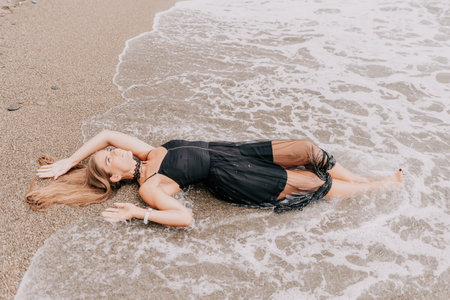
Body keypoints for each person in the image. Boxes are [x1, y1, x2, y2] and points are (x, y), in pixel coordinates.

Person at [28, 130, 403, 227]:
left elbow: (107, 133)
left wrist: (69, 161)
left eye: (112, 150)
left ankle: (364, 178)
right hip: (233, 177)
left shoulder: (147, 153)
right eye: (110, 157)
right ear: (114, 174)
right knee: (307, 183)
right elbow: (184, 217)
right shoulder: (150, 186)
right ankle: (376, 187)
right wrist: (138, 215)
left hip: (233, 151)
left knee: (306, 149)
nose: (115, 150)